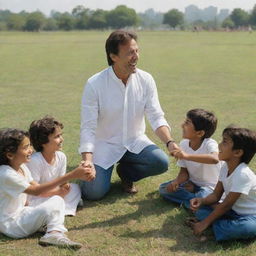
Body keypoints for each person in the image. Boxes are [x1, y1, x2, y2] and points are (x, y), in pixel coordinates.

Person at [79, 30, 177, 200]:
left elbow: (156, 115)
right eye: (130, 53)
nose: (136, 56)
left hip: (134, 141)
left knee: (161, 162)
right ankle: (99, 173)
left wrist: (169, 142)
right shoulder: (95, 84)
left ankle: (126, 173)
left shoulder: (146, 79)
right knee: (93, 193)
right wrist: (87, 160)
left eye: (137, 51)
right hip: (105, 144)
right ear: (113, 56)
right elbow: (88, 126)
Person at [0, 128, 91, 248]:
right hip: (12, 225)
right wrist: (72, 174)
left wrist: (61, 189)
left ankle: (50, 227)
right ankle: (53, 233)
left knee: (57, 199)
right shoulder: (5, 173)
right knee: (56, 201)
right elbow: (36, 191)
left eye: (30, 146)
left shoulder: (22, 167)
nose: (31, 150)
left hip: (22, 212)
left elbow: (37, 187)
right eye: (26, 147)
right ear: (10, 155)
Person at [190, 126, 256, 241]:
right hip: (232, 211)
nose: (219, 145)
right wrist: (202, 201)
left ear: (237, 152)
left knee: (247, 228)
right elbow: (216, 195)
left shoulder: (242, 174)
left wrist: (204, 223)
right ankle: (218, 225)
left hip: (249, 216)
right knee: (202, 202)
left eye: (224, 142)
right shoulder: (225, 166)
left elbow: (226, 205)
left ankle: (213, 225)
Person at [159, 109, 221, 208]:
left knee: (203, 194)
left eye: (187, 123)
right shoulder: (184, 144)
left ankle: (199, 201)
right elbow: (184, 172)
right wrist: (177, 182)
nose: (182, 125)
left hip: (210, 188)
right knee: (164, 188)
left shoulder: (209, 143)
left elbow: (215, 159)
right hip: (191, 184)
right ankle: (197, 202)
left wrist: (186, 156)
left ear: (200, 133)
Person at [27, 116, 84, 216]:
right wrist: (57, 192)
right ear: (43, 142)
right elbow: (34, 191)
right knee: (51, 200)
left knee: (75, 188)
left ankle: (61, 208)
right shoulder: (35, 160)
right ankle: (63, 208)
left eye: (61, 135)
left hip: (55, 193)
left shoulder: (61, 157)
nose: (62, 139)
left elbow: (62, 181)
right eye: (57, 137)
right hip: (37, 197)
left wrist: (65, 186)